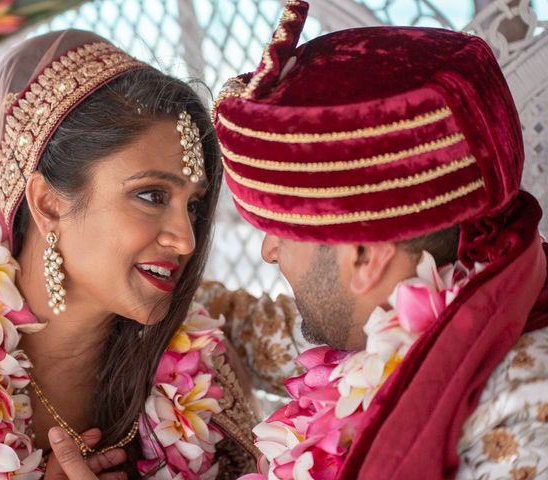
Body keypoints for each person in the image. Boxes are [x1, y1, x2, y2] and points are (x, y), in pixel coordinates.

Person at [209, 1, 548, 479]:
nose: (267, 251)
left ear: (365, 256)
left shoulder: (527, 410)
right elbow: (253, 326)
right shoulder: (400, 309)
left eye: (280, 229)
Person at [0, 29, 260, 479]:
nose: (186, 239)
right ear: (49, 202)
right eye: (151, 196)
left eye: (193, 206)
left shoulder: (203, 371)